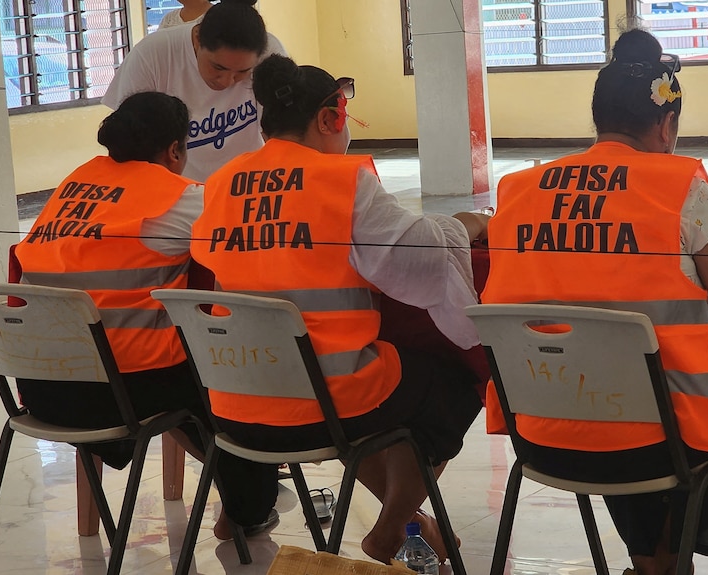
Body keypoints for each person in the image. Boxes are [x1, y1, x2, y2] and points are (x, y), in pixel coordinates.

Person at [482, 28, 708, 575]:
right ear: (667, 125)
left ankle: (650, 562)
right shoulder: (680, 188)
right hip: (662, 444)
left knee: (622, 396)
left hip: (543, 434)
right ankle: (669, 557)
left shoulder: (519, 191)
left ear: (599, 119)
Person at [190, 54, 488, 564]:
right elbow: (415, 255)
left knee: (395, 373)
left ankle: (407, 519)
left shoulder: (220, 183)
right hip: (325, 402)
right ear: (331, 117)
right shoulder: (341, 180)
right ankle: (395, 524)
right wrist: (463, 225)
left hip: (232, 405)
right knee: (454, 381)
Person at [13, 91, 279, 540]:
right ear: (175, 151)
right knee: (231, 379)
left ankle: (239, 494)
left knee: (192, 383)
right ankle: (248, 512)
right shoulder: (178, 197)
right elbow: (250, 246)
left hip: (40, 387)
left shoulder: (71, 185)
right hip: (123, 391)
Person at [102, 0, 287, 182]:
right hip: (177, 194)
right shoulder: (152, 55)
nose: (227, 81)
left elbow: (282, 135)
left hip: (247, 188)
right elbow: (127, 144)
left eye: (242, 72)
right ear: (198, 39)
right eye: (218, 68)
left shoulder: (269, 52)